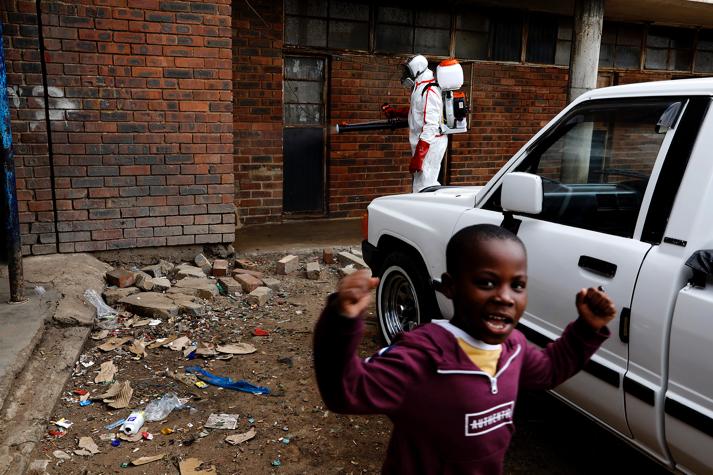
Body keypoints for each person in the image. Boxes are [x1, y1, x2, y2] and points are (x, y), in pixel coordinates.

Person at [313, 223, 616, 474]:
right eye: (486, 283)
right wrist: (340, 321)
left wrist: (585, 329)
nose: (505, 297)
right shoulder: (423, 355)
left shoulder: (513, 348)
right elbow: (346, 391)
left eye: (518, 285)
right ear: (450, 286)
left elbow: (549, 370)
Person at [383, 54, 448, 193]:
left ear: (417, 70)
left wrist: (419, 156)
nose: (405, 74)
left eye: (408, 71)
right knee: (421, 186)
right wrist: (396, 112)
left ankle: (427, 214)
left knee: (424, 187)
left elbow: (431, 125)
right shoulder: (420, 86)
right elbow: (417, 111)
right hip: (424, 145)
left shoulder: (429, 90)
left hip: (431, 145)